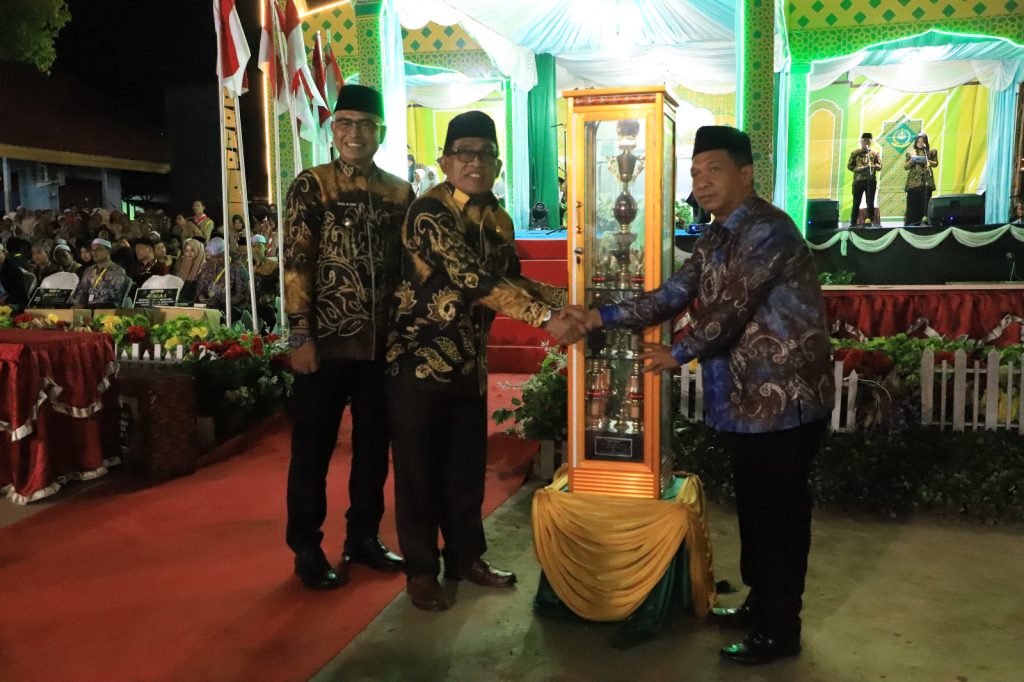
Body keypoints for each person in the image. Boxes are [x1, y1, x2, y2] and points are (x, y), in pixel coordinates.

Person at [567, 125, 834, 665]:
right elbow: (673, 293)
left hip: (784, 402)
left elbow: (732, 306)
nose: (702, 182)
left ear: (745, 174)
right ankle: (762, 604)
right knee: (755, 510)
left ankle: (781, 630)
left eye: (713, 170)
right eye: (694, 173)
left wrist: (679, 352)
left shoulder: (768, 230)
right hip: (743, 403)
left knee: (780, 517)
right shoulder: (714, 237)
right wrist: (598, 316)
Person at [384, 110, 583, 612]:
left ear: (497, 163)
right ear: (445, 161)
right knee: (418, 475)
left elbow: (510, 277)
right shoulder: (429, 211)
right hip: (417, 365)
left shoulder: (498, 218)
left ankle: (466, 558)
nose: (475, 162)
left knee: (465, 471)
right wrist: (546, 317)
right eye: (464, 153)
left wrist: (568, 301)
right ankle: (421, 571)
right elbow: (470, 277)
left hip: (469, 367)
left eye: (485, 154)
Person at [283, 83, 415, 591]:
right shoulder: (312, 185)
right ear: (333, 130)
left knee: (373, 448)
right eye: (345, 123)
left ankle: (363, 536)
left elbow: (410, 269)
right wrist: (300, 335)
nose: (354, 133)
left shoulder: (399, 193)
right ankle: (306, 546)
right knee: (312, 450)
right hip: (325, 343)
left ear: (381, 132)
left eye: (365, 124)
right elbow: (296, 262)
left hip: (381, 347)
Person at [194, 237, 247, 317]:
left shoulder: (237, 269)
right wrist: (201, 296)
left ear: (226, 253)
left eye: (219, 257)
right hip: (207, 308)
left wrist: (220, 303)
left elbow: (241, 295)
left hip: (229, 312)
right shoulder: (207, 266)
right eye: (213, 257)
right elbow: (200, 286)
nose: (216, 260)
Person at [71, 238, 130, 307]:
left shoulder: (118, 271)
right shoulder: (88, 270)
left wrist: (88, 304)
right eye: (93, 250)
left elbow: (113, 296)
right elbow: (82, 291)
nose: (94, 252)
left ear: (108, 251)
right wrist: (77, 303)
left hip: (107, 309)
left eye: (99, 249)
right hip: (88, 308)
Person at [846, 132, 881, 227]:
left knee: (870, 202)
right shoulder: (855, 153)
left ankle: (871, 221)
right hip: (858, 181)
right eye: (864, 140)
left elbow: (879, 166)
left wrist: (875, 166)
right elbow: (850, 166)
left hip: (870, 181)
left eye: (868, 141)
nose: (866, 142)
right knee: (856, 202)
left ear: (871, 142)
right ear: (861, 141)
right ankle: (853, 223)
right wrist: (862, 168)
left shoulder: (874, 153)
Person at [904, 133, 938, 226]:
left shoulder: (931, 152)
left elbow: (935, 164)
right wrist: (912, 160)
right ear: (916, 142)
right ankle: (912, 223)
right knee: (913, 204)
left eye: (922, 141)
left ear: (925, 142)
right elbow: (906, 167)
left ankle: (925, 221)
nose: (920, 143)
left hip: (926, 180)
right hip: (913, 182)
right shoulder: (910, 152)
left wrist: (927, 161)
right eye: (918, 141)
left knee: (925, 202)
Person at [250, 234, 279, 332]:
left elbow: (279, 289)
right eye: (253, 247)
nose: (256, 250)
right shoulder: (248, 266)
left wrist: (265, 299)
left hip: (268, 303)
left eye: (259, 246)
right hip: (250, 303)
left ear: (265, 247)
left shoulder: (274, 265)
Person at [175, 237, 206, 303]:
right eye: (186, 251)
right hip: (182, 303)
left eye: (192, 250)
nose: (189, 253)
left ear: (198, 251)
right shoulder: (182, 265)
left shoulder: (205, 267)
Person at [0, 242, 29, 309]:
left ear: (4, 254)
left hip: (12, 303)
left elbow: (20, 294)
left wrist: (5, 300)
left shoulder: (13, 270)